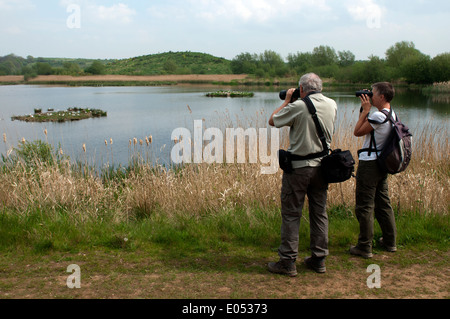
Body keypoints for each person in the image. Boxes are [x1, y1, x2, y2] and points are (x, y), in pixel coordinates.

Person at [267, 73, 337, 275]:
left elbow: (273, 121)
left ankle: (288, 262)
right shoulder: (332, 104)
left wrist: (289, 100)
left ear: (302, 89)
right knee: (319, 213)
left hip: (299, 168)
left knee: (291, 213)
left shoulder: (298, 106)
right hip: (322, 168)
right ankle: (319, 259)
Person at [350, 82, 398, 259]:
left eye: (373, 93)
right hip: (382, 164)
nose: (370, 95)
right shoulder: (392, 113)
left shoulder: (378, 116)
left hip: (370, 164)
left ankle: (364, 246)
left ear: (382, 97)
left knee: (365, 206)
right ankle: (390, 241)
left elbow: (357, 132)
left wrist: (364, 110)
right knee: (383, 204)